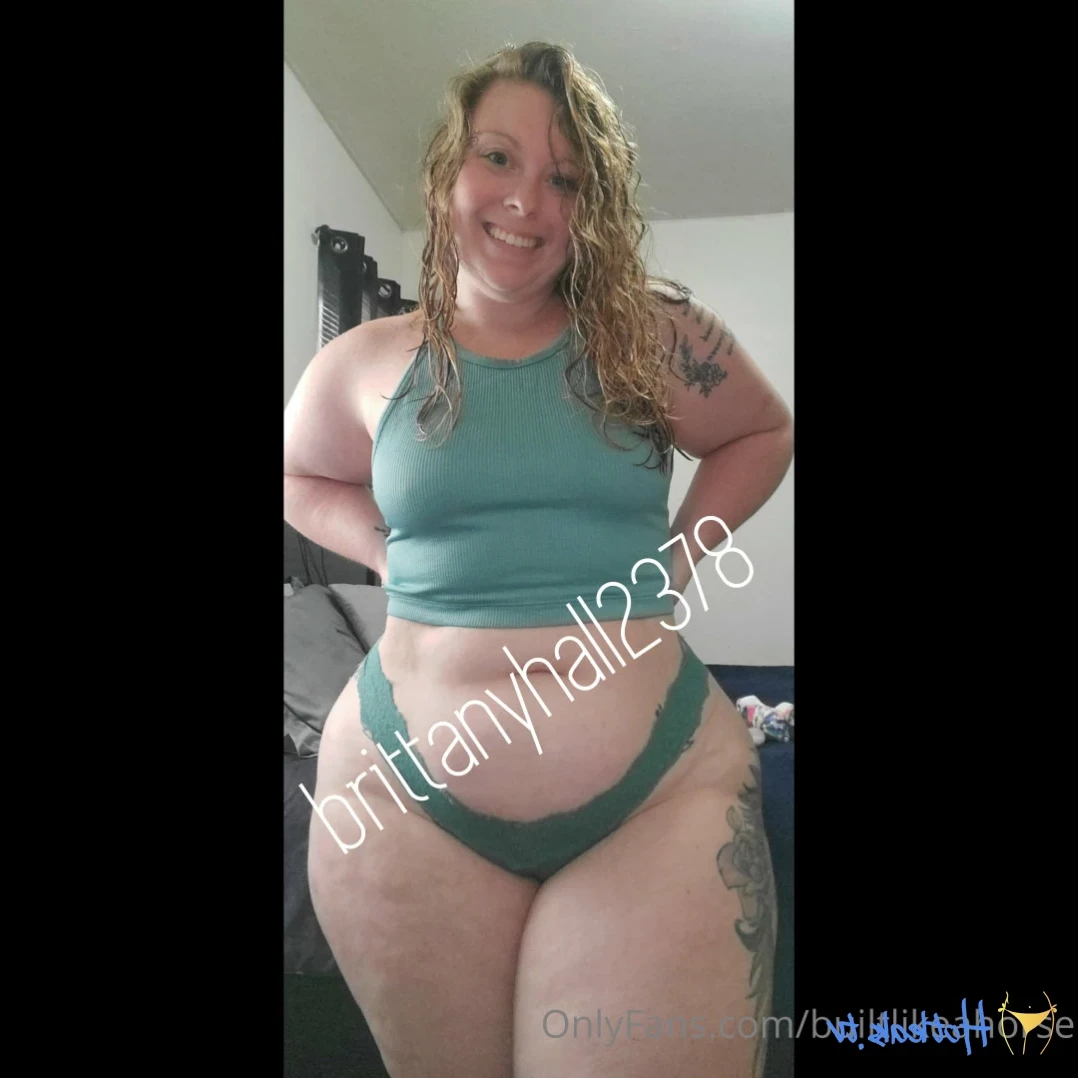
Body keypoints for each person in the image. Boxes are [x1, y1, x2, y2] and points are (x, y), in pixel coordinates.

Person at [284, 41, 793, 1078]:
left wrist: (675, 560)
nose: (527, 199)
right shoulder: (364, 360)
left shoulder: (654, 335)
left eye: (564, 177)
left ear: (591, 205)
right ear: (448, 172)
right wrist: (385, 550)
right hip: (401, 801)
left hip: (655, 799)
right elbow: (298, 477)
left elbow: (762, 431)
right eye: (498, 157)